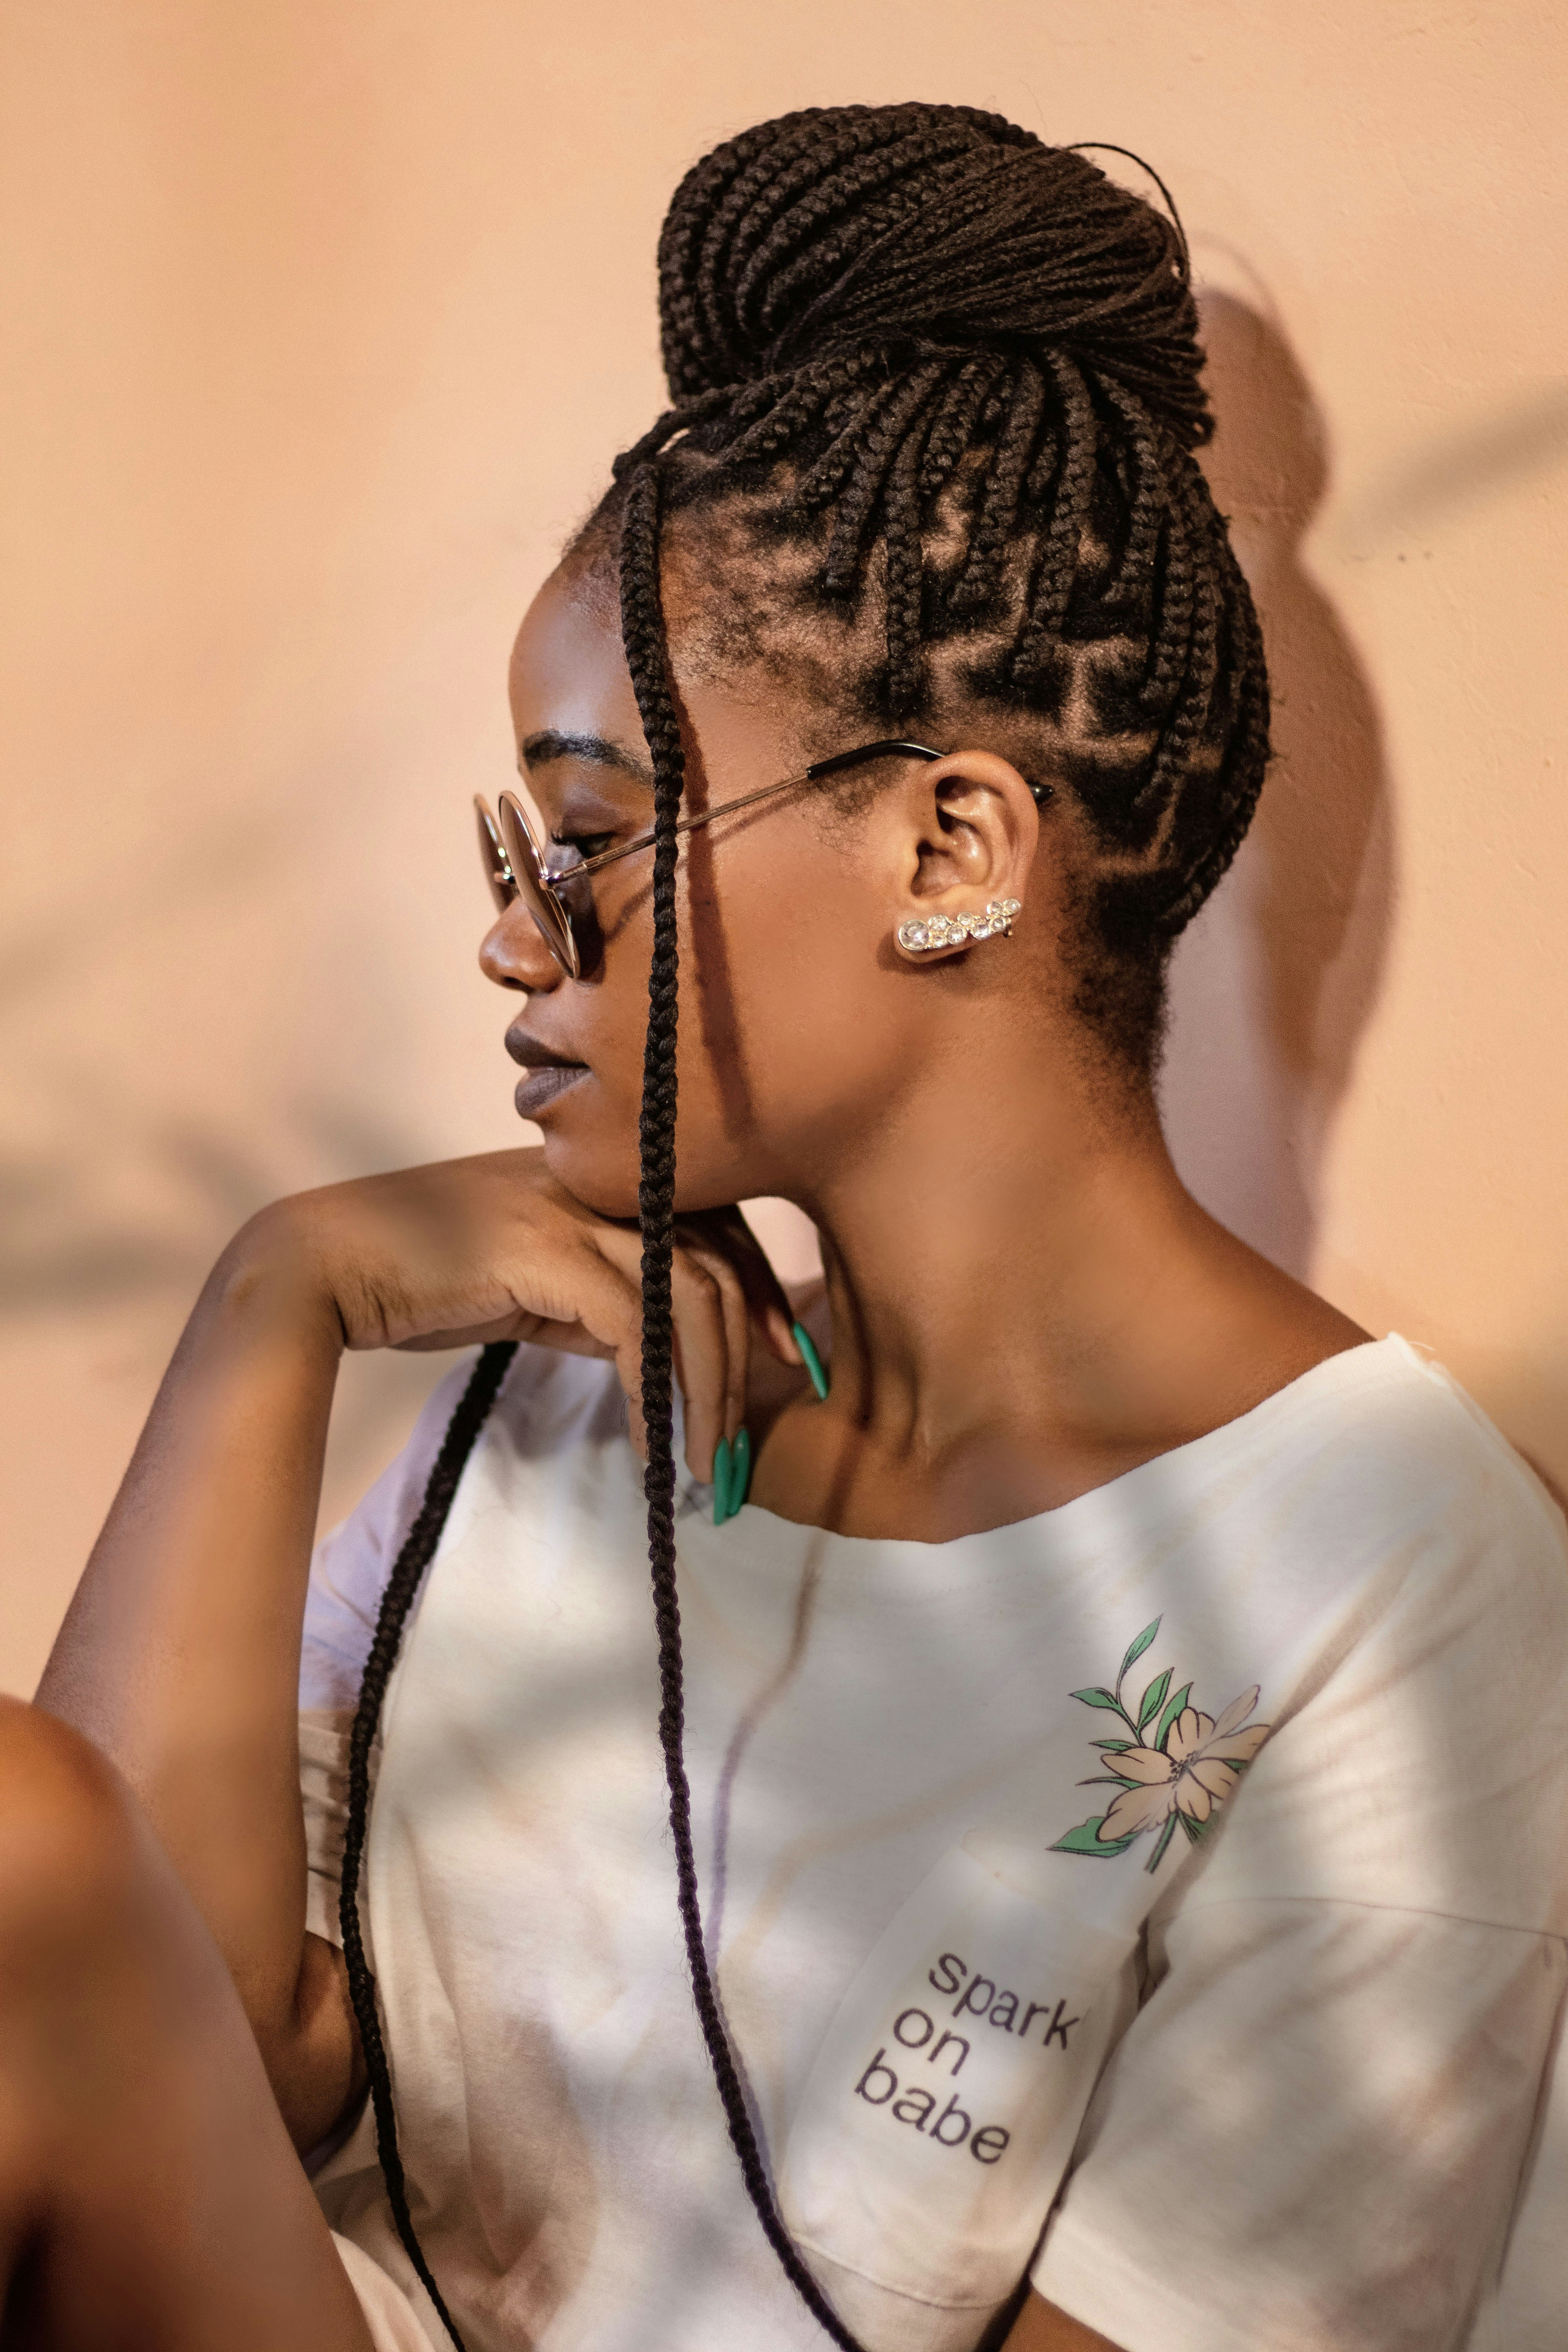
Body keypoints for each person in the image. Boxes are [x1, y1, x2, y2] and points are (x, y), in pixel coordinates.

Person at [5, 100, 1566, 2352]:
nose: (519, 946)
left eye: (596, 836)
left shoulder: (1384, 1577)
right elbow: (173, 2041)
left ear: (951, 851)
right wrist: (276, 1297)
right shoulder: (578, 1390)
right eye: (512, 851)